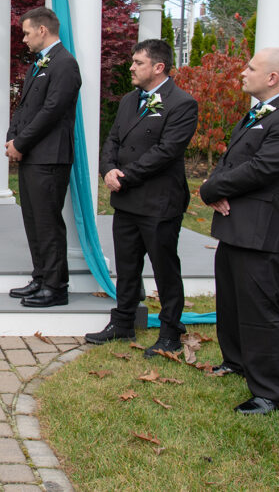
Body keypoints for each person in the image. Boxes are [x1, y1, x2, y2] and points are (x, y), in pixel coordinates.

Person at [199, 47, 279, 415]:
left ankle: (270, 391)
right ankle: (236, 361)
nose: (243, 72)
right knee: (232, 301)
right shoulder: (260, 113)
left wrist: (211, 189)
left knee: (259, 309)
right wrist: (218, 183)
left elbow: (262, 168)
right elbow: (232, 160)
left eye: (251, 68)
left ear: (273, 78)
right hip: (236, 224)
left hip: (262, 229)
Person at [86, 40, 198, 355]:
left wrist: (125, 176)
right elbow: (113, 138)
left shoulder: (182, 103)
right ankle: (122, 323)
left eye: (138, 62)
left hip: (159, 202)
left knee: (165, 269)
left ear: (158, 67)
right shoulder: (128, 100)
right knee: (127, 265)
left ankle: (170, 333)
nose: (132, 67)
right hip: (126, 200)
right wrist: (107, 169)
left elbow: (167, 152)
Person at [5, 6, 81, 308]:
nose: (23, 39)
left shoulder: (65, 64)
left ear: (41, 30)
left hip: (50, 156)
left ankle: (56, 286)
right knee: (33, 219)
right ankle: (40, 277)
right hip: (31, 153)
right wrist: (12, 137)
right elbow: (25, 106)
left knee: (48, 222)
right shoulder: (38, 64)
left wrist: (21, 142)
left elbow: (52, 111)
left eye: (25, 33)